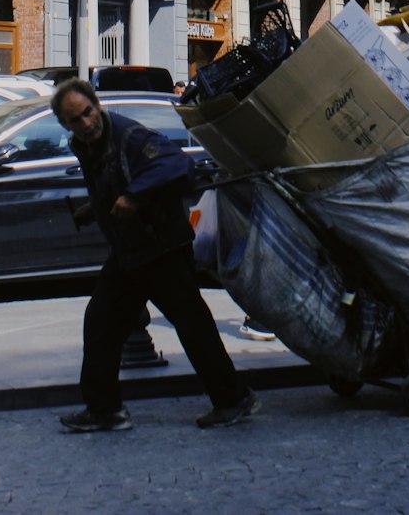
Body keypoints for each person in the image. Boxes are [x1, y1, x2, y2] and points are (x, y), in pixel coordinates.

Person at [52, 77, 258, 433]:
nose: (86, 123)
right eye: (75, 120)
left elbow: (175, 166)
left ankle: (233, 399)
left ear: (97, 105)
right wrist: (95, 208)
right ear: (65, 124)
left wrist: (134, 197)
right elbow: (115, 180)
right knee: (102, 321)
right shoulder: (85, 145)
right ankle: (105, 409)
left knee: (192, 325)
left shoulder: (129, 135)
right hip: (132, 250)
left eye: (88, 112)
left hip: (161, 247)